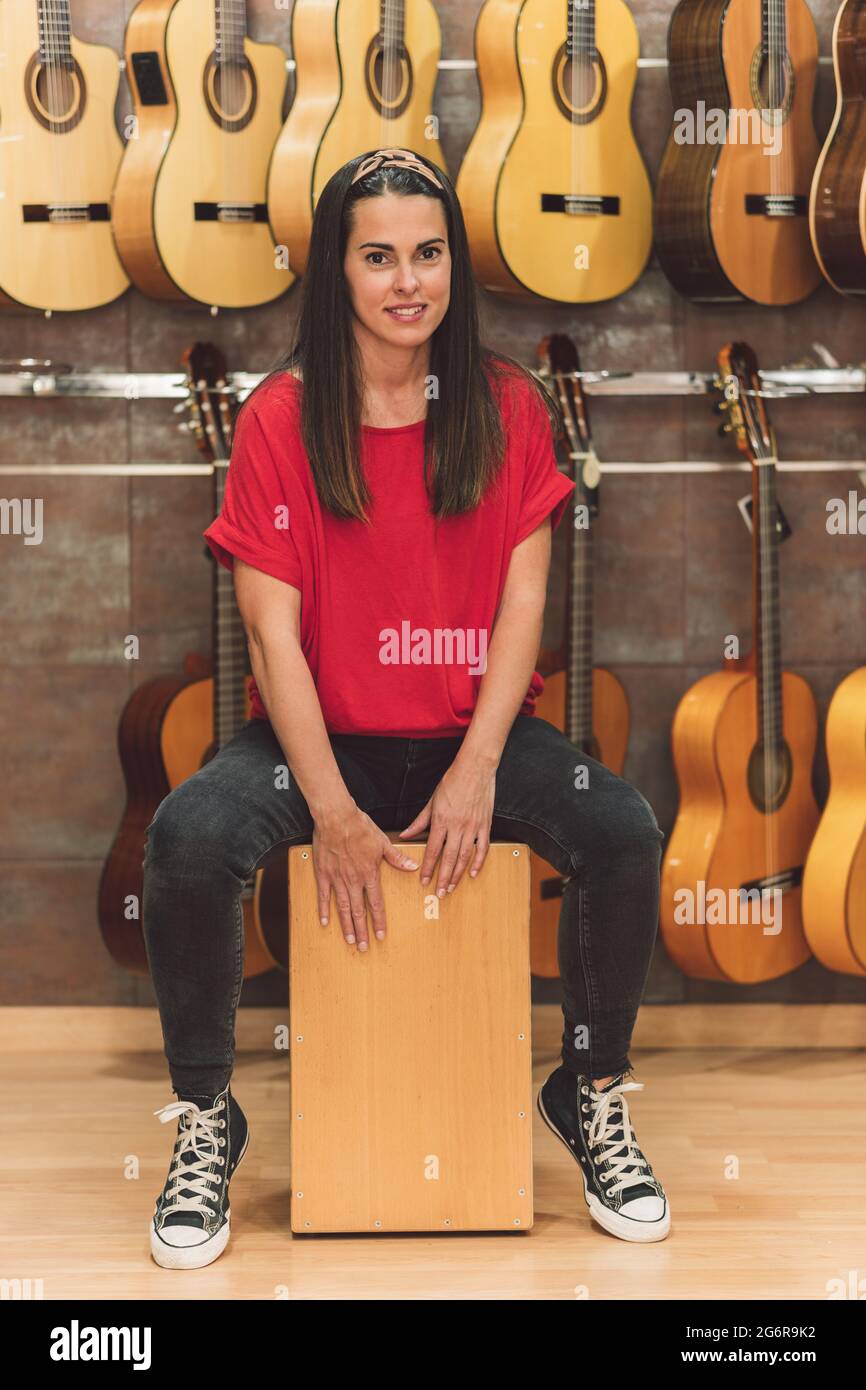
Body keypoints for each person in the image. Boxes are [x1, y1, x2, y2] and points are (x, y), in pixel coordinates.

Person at [142, 147, 670, 1270]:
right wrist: (329, 806)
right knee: (189, 836)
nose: (406, 281)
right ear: (335, 272)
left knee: (619, 829)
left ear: (453, 265)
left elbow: (523, 603)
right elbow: (271, 638)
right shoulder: (280, 419)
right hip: (315, 742)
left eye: (426, 254)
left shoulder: (506, 405)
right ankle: (204, 1119)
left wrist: (480, 764)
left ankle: (590, 1093)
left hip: (466, 734)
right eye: (376, 256)